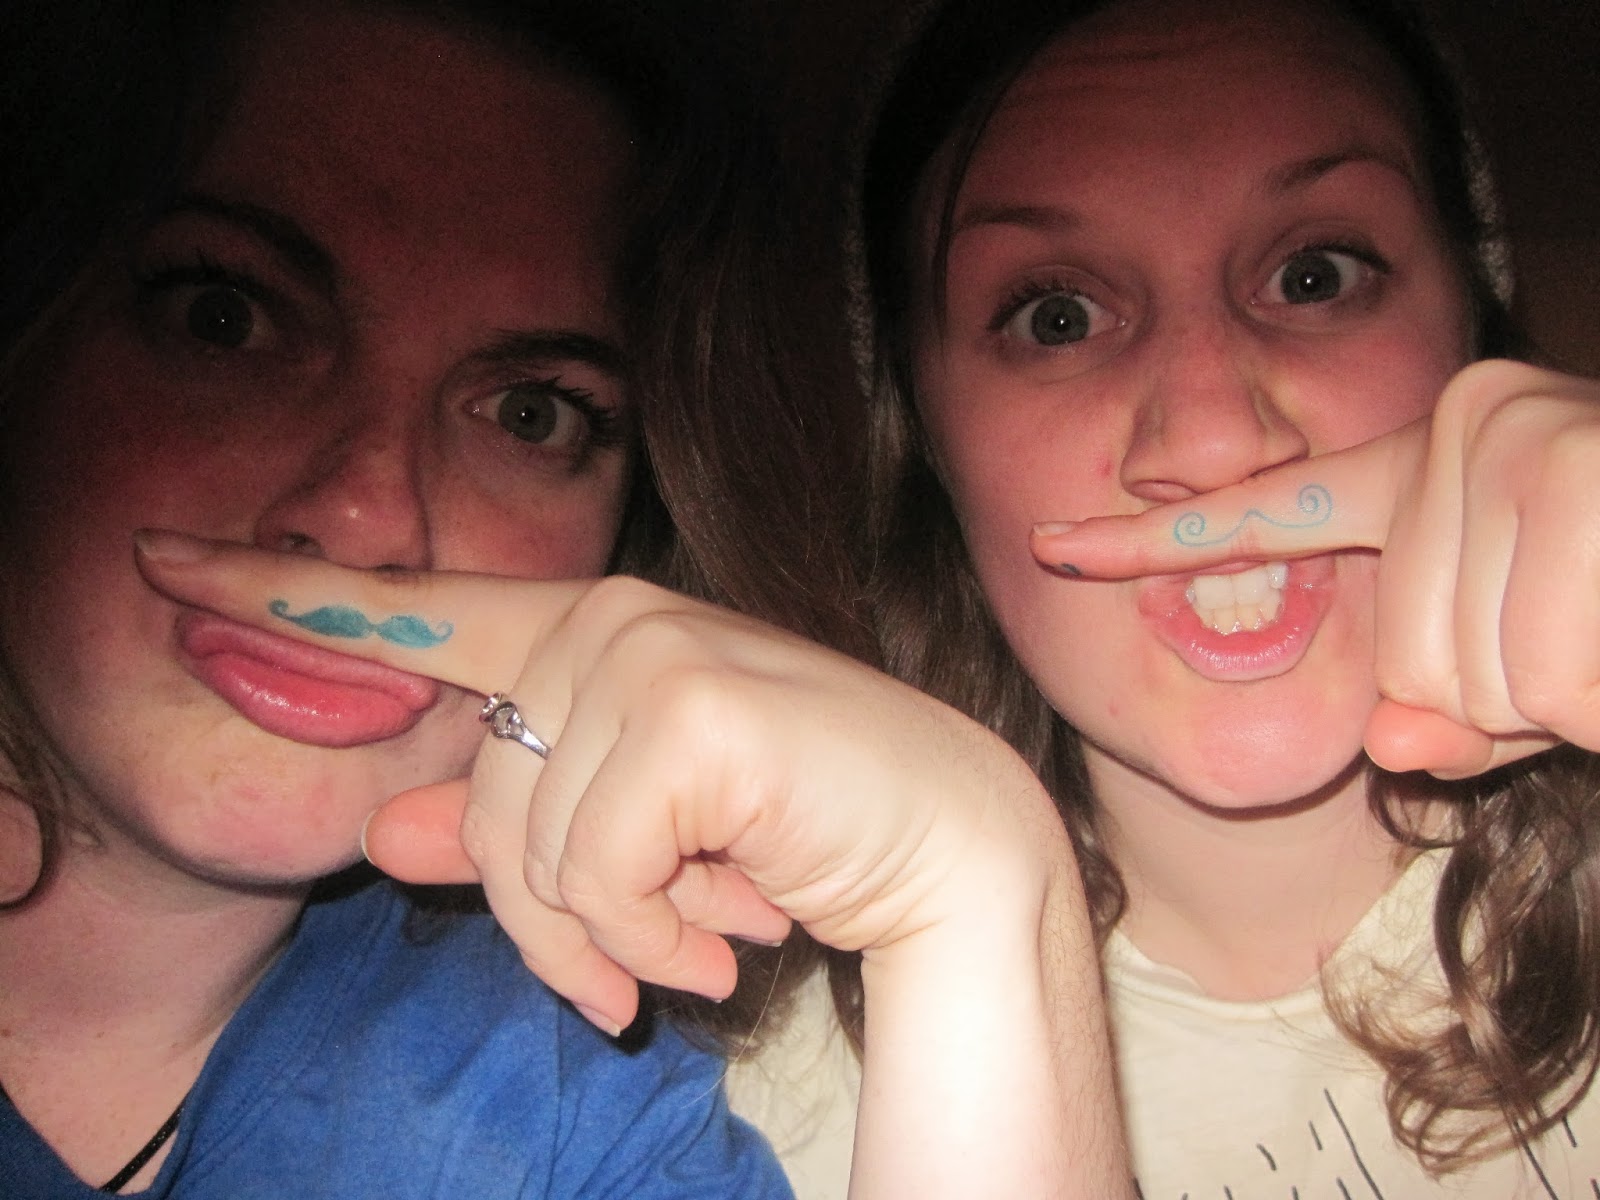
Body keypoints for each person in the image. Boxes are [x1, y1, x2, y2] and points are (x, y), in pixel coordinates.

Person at [1, 0, 1133, 1197]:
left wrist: (976, 887)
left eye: (528, 412)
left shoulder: (565, 1103)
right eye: (225, 319)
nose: (369, 515)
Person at [851, 0, 1600, 1194]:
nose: (1210, 439)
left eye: (1314, 276)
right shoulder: (746, 1112)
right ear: (925, 431)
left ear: (1471, 327)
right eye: (1057, 317)